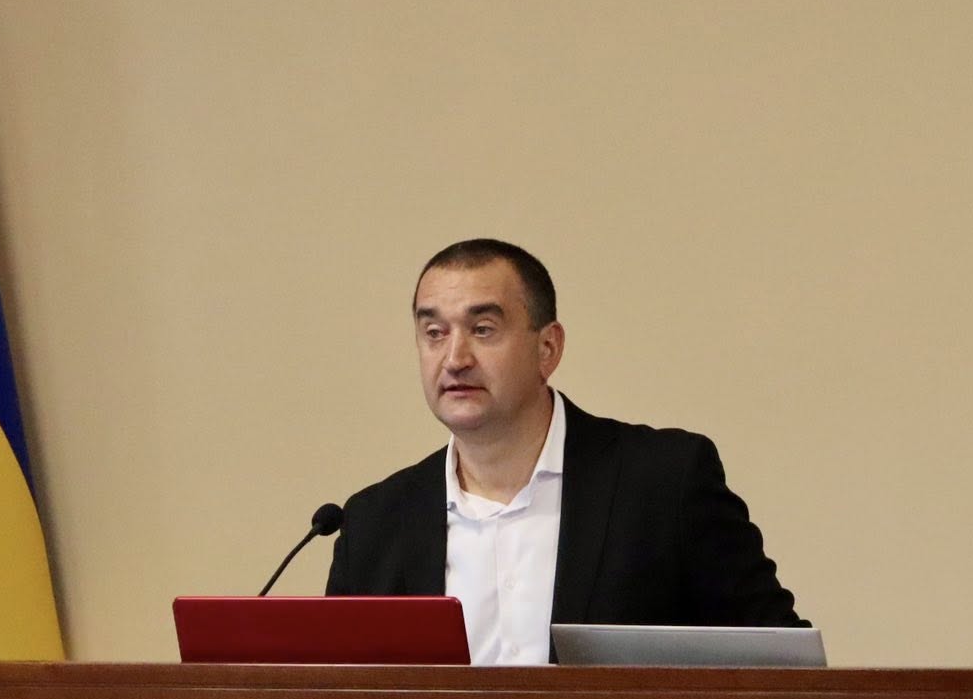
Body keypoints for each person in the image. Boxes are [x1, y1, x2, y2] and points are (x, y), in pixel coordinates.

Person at [325, 238, 805, 662]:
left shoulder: (663, 484)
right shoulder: (374, 524)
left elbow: (784, 668)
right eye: (434, 333)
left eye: (483, 329)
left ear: (548, 348)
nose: (455, 358)